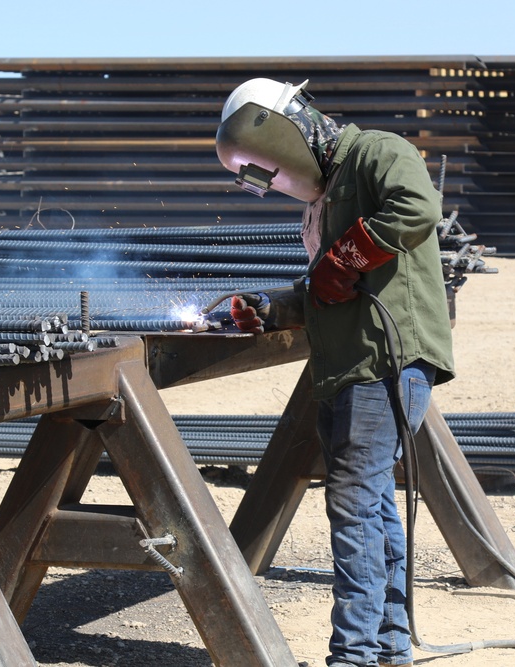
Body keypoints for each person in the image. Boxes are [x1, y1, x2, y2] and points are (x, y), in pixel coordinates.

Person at [215, 78, 455, 667]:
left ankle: (352, 655)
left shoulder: (377, 152)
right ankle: (387, 647)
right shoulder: (320, 204)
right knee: (371, 507)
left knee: (353, 506)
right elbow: (325, 289)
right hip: (348, 367)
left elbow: (417, 209)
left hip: (384, 363)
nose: (271, 180)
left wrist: (346, 256)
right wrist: (270, 308)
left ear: (283, 130)